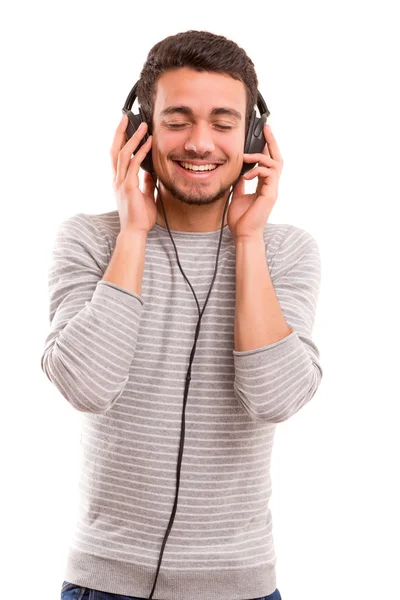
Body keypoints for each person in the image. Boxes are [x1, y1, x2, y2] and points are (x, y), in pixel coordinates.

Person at [41, 30, 323, 600]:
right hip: (104, 582)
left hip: (241, 585)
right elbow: (86, 386)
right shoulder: (91, 241)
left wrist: (248, 240)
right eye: (176, 120)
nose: (200, 143)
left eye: (223, 123)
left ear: (252, 136)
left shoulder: (283, 251)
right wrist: (134, 230)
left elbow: (277, 399)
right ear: (138, 132)